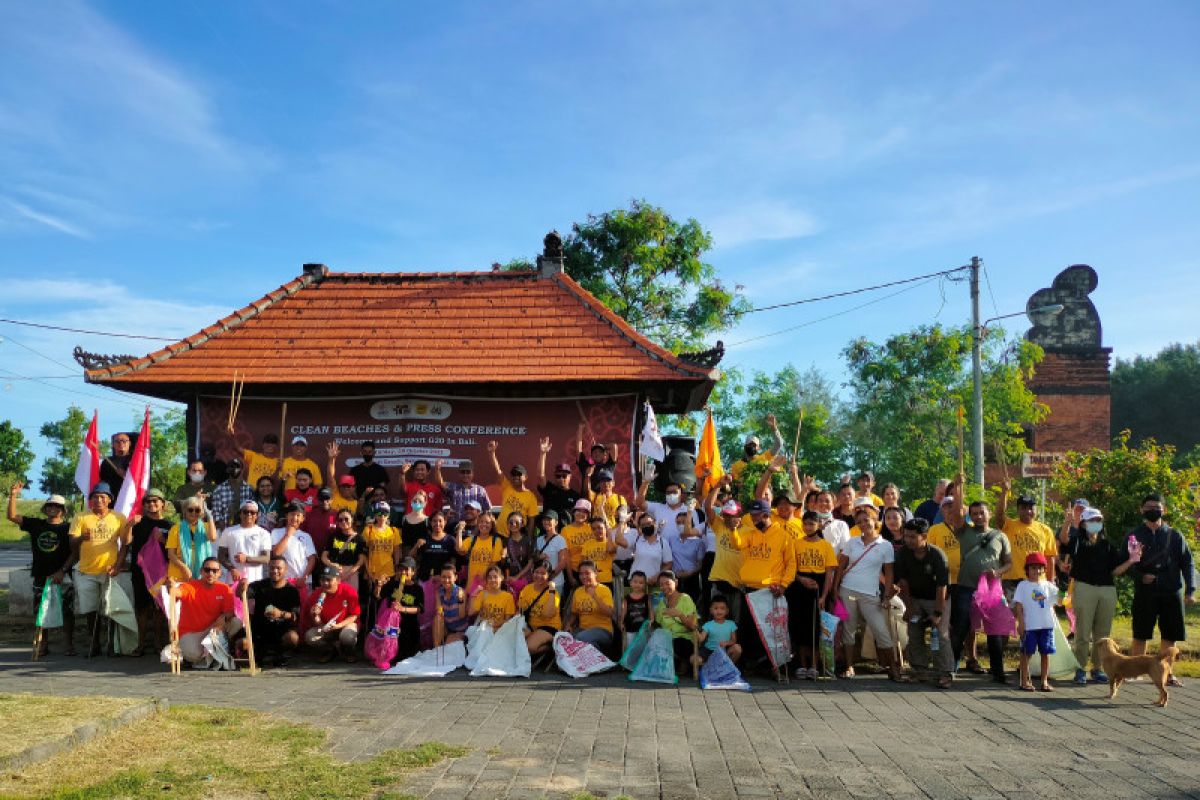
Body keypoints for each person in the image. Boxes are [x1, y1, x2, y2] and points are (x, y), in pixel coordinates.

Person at [1125, 493, 1195, 686]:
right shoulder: (1134, 536)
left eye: (1157, 507)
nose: (1152, 511)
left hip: (1171, 590)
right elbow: (1126, 565)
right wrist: (1140, 576)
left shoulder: (1174, 535)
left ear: (1164, 510)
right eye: (1148, 507)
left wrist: (1191, 590)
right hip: (1145, 592)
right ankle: (1134, 672)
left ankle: (1167, 673)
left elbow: (1187, 563)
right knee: (1140, 633)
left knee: (1170, 636)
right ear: (1141, 510)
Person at [950, 499, 1012, 683]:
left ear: (989, 514)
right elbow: (956, 513)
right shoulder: (964, 531)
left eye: (981, 513)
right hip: (966, 588)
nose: (978, 516)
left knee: (995, 632)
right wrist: (959, 486)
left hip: (992, 591)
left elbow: (1009, 563)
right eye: (974, 513)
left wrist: (998, 572)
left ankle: (998, 671)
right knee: (960, 628)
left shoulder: (1000, 536)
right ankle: (951, 668)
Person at [8, 482, 74, 657]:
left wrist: (63, 570)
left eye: (57, 506)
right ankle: (43, 643)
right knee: (41, 611)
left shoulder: (69, 528)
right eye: (50, 505)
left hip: (62, 575)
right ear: (45, 509)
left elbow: (75, 552)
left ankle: (69, 644)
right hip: (41, 575)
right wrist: (13, 495)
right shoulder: (36, 524)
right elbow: (12, 516)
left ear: (63, 510)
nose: (53, 509)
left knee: (67, 611)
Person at [1060, 507, 1124, 684]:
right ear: (1083, 523)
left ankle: (1098, 668)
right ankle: (1080, 668)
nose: (1096, 523)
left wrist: (1132, 560)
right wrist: (1067, 521)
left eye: (1098, 520)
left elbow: (1116, 570)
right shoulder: (1077, 541)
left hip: (1107, 590)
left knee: (1103, 633)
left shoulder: (1108, 545)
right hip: (1084, 587)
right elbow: (1064, 540)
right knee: (1082, 631)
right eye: (1092, 520)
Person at [835, 503, 899, 680]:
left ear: (875, 521)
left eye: (866, 520)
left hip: (871, 594)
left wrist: (887, 596)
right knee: (849, 629)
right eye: (859, 521)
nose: (863, 524)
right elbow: (841, 567)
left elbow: (889, 572)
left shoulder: (885, 545)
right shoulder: (851, 542)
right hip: (847, 590)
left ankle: (892, 667)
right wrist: (834, 590)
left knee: (881, 630)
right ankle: (849, 666)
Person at [731, 499, 795, 670]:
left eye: (756, 517)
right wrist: (734, 529)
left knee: (769, 631)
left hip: (769, 591)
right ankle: (748, 663)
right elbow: (737, 544)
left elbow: (791, 564)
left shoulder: (783, 536)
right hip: (749, 589)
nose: (753, 520)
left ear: (766, 515)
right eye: (751, 516)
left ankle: (773, 666)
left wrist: (783, 585)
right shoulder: (751, 533)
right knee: (747, 629)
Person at [67, 482, 128, 655]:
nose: (98, 500)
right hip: (86, 571)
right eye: (95, 497)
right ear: (90, 500)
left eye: (102, 497)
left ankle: (112, 644)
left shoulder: (119, 517)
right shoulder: (81, 517)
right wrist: (81, 539)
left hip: (109, 571)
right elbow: (71, 544)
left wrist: (118, 565)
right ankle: (94, 642)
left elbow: (125, 545)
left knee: (111, 608)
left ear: (109, 500)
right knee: (91, 609)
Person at [895, 518, 954, 689]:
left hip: (937, 599)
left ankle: (945, 673)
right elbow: (902, 582)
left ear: (924, 536)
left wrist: (937, 613)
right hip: (914, 598)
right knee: (913, 632)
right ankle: (919, 670)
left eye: (913, 537)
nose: (908, 540)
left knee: (941, 635)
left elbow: (942, 586)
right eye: (906, 536)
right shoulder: (903, 553)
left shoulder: (937, 555)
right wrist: (909, 607)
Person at [168, 557, 242, 666]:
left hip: (214, 629)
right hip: (192, 632)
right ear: (201, 571)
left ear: (220, 573)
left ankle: (219, 651)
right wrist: (171, 587)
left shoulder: (225, 589)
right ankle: (207, 656)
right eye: (207, 570)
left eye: (214, 571)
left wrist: (224, 618)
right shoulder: (189, 586)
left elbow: (230, 612)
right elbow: (176, 592)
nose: (210, 573)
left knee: (236, 622)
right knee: (192, 654)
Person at [789, 510, 836, 679]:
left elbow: (829, 573)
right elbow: (790, 568)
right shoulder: (796, 543)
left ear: (819, 525)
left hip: (818, 585)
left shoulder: (825, 546)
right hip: (800, 585)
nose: (808, 527)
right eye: (806, 523)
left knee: (816, 628)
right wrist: (801, 579)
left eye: (812, 524)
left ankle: (815, 665)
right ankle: (802, 665)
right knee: (800, 626)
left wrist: (824, 596)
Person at [125, 488, 171, 656]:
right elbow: (126, 542)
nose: (151, 504)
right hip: (140, 572)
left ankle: (159, 644)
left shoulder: (169, 525)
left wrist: (164, 540)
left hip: (161, 573)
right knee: (142, 608)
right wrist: (129, 525)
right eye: (148, 501)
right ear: (143, 505)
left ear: (162, 504)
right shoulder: (137, 523)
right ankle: (141, 644)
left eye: (155, 501)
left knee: (160, 608)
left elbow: (174, 549)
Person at [995, 481, 1058, 592]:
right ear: (1018, 510)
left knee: (1037, 609)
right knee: (1014, 610)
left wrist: (1050, 582)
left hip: (1038, 581)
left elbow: (1050, 558)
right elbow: (999, 515)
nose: (1028, 511)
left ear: (1036, 510)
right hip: (1012, 582)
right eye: (1023, 508)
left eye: (1031, 508)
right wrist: (1004, 492)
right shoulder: (1009, 525)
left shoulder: (1046, 530)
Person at [1013, 552, 1059, 692]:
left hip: (1046, 625)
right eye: (1033, 568)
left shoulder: (1048, 585)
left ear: (1044, 569)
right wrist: (1021, 624)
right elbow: (1018, 607)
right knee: (1026, 653)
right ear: (1027, 569)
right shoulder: (1023, 585)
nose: (1037, 571)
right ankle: (1024, 681)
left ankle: (1044, 681)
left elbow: (1061, 600)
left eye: (1040, 568)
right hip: (1029, 626)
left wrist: (1065, 588)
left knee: (1045, 653)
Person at [246, 555, 302, 666]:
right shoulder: (258, 586)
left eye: (278, 568)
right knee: (242, 643)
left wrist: (280, 614)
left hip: (281, 631)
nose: (275, 571)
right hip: (260, 631)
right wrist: (242, 586)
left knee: (293, 638)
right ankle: (255, 655)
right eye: (272, 568)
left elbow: (295, 616)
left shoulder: (292, 590)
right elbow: (241, 593)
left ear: (286, 569)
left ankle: (282, 655)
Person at [302, 565, 361, 662]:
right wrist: (316, 616)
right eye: (323, 580)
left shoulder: (349, 591)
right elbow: (317, 623)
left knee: (347, 636)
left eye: (329, 580)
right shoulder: (317, 594)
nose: (325, 583)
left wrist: (338, 626)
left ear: (338, 580)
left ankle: (348, 651)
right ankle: (331, 650)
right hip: (326, 627)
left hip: (345, 625)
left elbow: (354, 616)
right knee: (310, 636)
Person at [703, 477, 745, 613]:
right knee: (717, 621)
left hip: (739, 585)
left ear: (740, 515)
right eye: (726, 515)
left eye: (732, 515)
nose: (729, 518)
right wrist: (718, 485)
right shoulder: (720, 525)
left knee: (736, 625)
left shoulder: (749, 531)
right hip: (719, 582)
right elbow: (708, 507)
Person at [486, 441, 539, 536]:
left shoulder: (530, 496)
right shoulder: (507, 487)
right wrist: (492, 453)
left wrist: (528, 539)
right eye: (514, 474)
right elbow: (498, 470)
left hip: (517, 536)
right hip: (500, 533)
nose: (516, 477)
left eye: (519, 474)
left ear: (526, 477)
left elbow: (531, 520)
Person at [378, 558, 424, 659]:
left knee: (408, 656)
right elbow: (378, 596)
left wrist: (403, 609)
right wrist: (379, 585)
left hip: (409, 626)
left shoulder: (418, 589)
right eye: (401, 569)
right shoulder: (392, 585)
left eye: (406, 569)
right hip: (392, 626)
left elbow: (420, 609)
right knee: (392, 656)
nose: (403, 572)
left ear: (413, 572)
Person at [217, 500, 272, 585]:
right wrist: (232, 569)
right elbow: (221, 556)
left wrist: (246, 559)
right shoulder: (228, 532)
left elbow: (266, 558)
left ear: (257, 515)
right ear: (240, 514)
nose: (249, 514)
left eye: (252, 512)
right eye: (245, 511)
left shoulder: (264, 533)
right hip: (234, 579)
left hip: (255, 581)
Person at [655, 570, 699, 674]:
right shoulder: (662, 603)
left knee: (675, 643)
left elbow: (693, 626)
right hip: (667, 640)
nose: (664, 587)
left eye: (667, 583)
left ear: (676, 582)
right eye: (661, 585)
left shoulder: (685, 599)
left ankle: (682, 662)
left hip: (684, 640)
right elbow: (658, 623)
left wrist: (679, 614)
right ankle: (674, 665)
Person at [166, 496, 218, 582]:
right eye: (190, 510)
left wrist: (210, 517)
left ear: (201, 512)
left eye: (197, 510)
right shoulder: (175, 528)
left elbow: (212, 538)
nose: (194, 513)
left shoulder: (206, 526)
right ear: (185, 511)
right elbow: (171, 555)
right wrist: (184, 567)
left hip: (201, 575)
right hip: (179, 574)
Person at [616, 512, 673, 586]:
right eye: (643, 525)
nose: (647, 526)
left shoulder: (662, 542)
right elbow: (618, 540)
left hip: (652, 583)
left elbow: (669, 564)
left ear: (654, 522)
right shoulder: (637, 539)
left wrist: (657, 576)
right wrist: (622, 521)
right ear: (640, 527)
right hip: (635, 582)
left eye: (649, 523)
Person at [569, 560, 616, 650]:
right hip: (583, 630)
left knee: (581, 638)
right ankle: (598, 660)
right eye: (581, 574)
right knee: (567, 640)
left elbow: (610, 613)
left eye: (587, 573)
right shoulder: (578, 592)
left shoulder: (604, 589)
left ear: (595, 573)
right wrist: (568, 625)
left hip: (603, 630)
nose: (583, 577)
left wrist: (594, 596)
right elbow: (574, 614)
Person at [456, 511, 506, 592]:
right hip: (472, 584)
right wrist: (460, 531)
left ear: (492, 525)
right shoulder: (473, 539)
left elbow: (494, 562)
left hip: (488, 583)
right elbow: (459, 549)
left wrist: (484, 575)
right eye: (481, 522)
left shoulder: (496, 541)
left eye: (487, 522)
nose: (484, 524)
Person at [537, 438, 584, 525]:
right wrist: (543, 453)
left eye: (564, 476)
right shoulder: (549, 489)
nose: (561, 478)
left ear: (570, 477)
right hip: (549, 533)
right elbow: (540, 476)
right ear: (555, 477)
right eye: (558, 476)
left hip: (567, 534)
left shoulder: (576, 496)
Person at [728, 413, 783, 485]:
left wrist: (774, 428)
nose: (751, 447)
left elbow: (778, 444)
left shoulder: (765, 457)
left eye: (754, 445)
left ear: (759, 448)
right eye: (749, 444)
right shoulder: (735, 466)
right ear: (744, 446)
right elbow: (735, 484)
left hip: (763, 494)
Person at [270, 502, 318, 584]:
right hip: (284, 581)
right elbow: (276, 553)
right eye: (292, 514)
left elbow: (312, 559)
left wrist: (304, 577)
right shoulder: (276, 532)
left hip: (303, 581)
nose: (295, 518)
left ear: (303, 518)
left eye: (298, 515)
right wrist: (288, 535)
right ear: (286, 516)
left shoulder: (306, 536)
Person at [519, 560, 560, 656]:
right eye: (537, 572)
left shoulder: (553, 593)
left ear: (549, 575)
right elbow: (521, 610)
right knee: (514, 641)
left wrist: (552, 591)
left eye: (543, 573)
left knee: (528, 647)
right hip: (530, 625)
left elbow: (547, 615)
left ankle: (551, 648)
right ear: (532, 572)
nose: (539, 576)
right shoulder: (527, 589)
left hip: (549, 627)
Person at [322, 509, 367, 594]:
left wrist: (348, 573)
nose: (343, 521)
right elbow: (324, 556)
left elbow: (361, 561)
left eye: (346, 519)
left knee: (350, 599)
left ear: (352, 520)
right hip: (334, 572)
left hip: (351, 573)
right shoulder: (333, 536)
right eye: (340, 520)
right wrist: (331, 564)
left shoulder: (359, 539)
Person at [671, 508, 708, 603]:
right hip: (675, 580)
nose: (680, 525)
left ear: (689, 523)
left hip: (692, 580)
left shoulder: (698, 542)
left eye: (683, 522)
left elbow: (700, 564)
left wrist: (690, 573)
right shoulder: (671, 540)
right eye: (678, 523)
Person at [442, 459, 492, 525]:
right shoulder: (453, 487)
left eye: (468, 472)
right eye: (463, 472)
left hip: (475, 527)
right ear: (459, 474)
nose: (465, 475)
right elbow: (441, 483)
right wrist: (437, 470)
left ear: (472, 474)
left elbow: (487, 510)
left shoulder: (480, 490)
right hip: (455, 525)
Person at [411, 509, 456, 581]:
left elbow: (454, 560)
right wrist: (416, 546)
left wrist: (448, 576)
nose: (437, 524)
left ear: (445, 522)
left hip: (444, 581)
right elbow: (411, 557)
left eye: (440, 521)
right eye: (434, 521)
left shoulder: (451, 540)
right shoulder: (424, 539)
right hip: (425, 579)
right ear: (430, 522)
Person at [210, 459, 255, 530]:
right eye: (231, 466)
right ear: (227, 470)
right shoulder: (219, 489)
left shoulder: (249, 489)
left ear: (242, 469)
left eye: (237, 467)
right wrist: (226, 530)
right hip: (224, 530)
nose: (235, 469)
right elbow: (216, 513)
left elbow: (253, 511)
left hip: (245, 529)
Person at [469, 564, 517, 630]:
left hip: (499, 632)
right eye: (489, 577)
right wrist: (474, 594)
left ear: (502, 578)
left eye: (495, 577)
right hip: (482, 631)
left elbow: (507, 621)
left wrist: (491, 624)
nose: (492, 580)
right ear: (487, 580)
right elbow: (470, 612)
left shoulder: (508, 597)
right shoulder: (482, 594)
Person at [433, 562, 470, 645]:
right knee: (437, 618)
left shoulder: (461, 592)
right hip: (447, 630)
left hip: (460, 632)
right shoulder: (439, 593)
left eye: (449, 577)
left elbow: (462, 615)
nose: (446, 580)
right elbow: (439, 613)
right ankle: (436, 650)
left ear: (455, 578)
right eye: (443, 577)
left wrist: (460, 600)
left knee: (451, 641)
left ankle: (444, 642)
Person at [533, 511, 570, 594]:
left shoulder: (560, 540)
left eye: (549, 519)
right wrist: (539, 557)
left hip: (555, 583)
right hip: (540, 582)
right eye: (544, 519)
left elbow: (563, 563)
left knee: (553, 605)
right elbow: (535, 558)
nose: (546, 522)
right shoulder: (539, 539)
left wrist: (549, 577)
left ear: (556, 522)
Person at [699, 595, 741, 664]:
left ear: (727, 611)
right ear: (711, 611)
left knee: (737, 648)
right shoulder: (708, 624)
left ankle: (727, 668)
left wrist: (726, 643)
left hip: (724, 651)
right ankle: (709, 667)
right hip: (709, 651)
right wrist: (694, 629)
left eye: (722, 608)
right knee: (695, 660)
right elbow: (701, 639)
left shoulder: (731, 624)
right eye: (716, 608)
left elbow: (734, 640)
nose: (719, 611)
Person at [561, 499, 595, 585]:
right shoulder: (565, 530)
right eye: (578, 511)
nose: (581, 514)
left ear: (588, 515)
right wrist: (570, 577)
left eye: (584, 512)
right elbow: (566, 556)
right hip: (574, 571)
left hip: (591, 571)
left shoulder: (591, 528)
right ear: (574, 512)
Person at [503, 512, 535, 591]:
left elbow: (530, 563)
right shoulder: (505, 541)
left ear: (522, 524)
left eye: (517, 522)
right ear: (507, 524)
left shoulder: (528, 540)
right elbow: (504, 563)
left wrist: (516, 577)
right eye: (511, 522)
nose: (513, 524)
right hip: (510, 580)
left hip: (526, 580)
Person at [621, 570, 653, 648]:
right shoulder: (627, 598)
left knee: (643, 646)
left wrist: (651, 620)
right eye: (635, 582)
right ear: (630, 583)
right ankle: (632, 660)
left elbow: (650, 609)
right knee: (631, 646)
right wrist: (621, 622)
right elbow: (624, 611)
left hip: (643, 628)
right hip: (630, 628)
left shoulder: (646, 597)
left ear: (645, 585)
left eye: (641, 583)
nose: (637, 585)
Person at [100, 431, 133, 498]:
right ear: (113, 444)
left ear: (129, 443)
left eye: (124, 441)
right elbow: (102, 480)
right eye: (117, 441)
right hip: (112, 498)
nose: (121, 443)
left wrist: (126, 475)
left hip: (130, 497)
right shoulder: (107, 462)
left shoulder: (135, 459)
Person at [398, 489, 432, 553]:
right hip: (405, 554)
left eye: (420, 501)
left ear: (425, 504)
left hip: (421, 556)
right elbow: (398, 539)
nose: (417, 503)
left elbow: (431, 539)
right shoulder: (403, 519)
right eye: (415, 500)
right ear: (411, 502)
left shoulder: (428, 520)